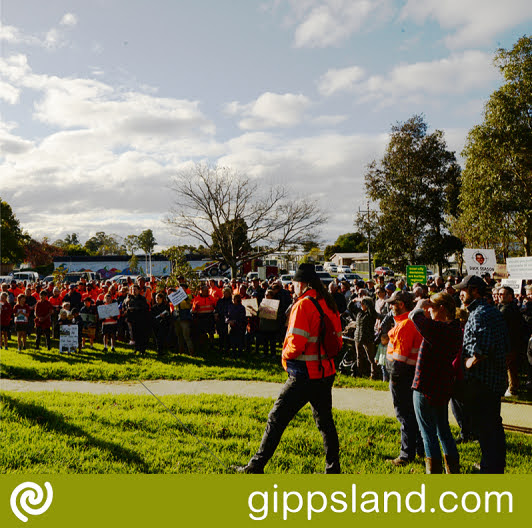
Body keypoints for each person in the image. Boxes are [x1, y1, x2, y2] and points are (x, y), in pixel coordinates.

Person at [234, 263, 342, 474]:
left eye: (293, 283)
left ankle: (255, 466)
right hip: (325, 372)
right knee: (325, 424)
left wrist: (284, 357)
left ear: (301, 283)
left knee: (276, 419)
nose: (292, 287)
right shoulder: (329, 303)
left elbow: (295, 344)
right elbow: (337, 342)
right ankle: (333, 469)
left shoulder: (303, 305)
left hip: (303, 375)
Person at [454, 275, 509, 473]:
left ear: (475, 291)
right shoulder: (492, 312)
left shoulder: (479, 314)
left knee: (486, 427)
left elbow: (481, 351)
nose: (460, 293)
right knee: (493, 425)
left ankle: (489, 468)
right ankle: (493, 465)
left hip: (482, 381)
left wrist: (466, 364)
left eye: (463, 290)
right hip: (494, 379)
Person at [409, 294, 462, 474]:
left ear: (441, 309)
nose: (427, 310)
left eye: (431, 307)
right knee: (443, 430)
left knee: (428, 434)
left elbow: (414, 317)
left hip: (425, 386)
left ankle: (434, 474)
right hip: (442, 386)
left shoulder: (439, 329)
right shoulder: (454, 329)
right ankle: (453, 470)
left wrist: (419, 304)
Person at [385, 290, 424, 466]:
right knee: (413, 414)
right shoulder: (411, 321)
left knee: (405, 415)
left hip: (402, 376)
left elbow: (399, 360)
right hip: (411, 373)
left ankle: (406, 454)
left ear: (401, 304)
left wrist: (393, 379)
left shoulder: (404, 325)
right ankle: (419, 449)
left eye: (392, 304)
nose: (390, 307)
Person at [497, 286, 529, 397]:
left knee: (509, 366)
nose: (499, 296)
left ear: (510, 296)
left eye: (503, 294)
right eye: (499, 294)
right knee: (510, 366)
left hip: (510, 342)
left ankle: (512, 388)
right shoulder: (506, 307)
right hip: (510, 342)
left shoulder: (507, 309)